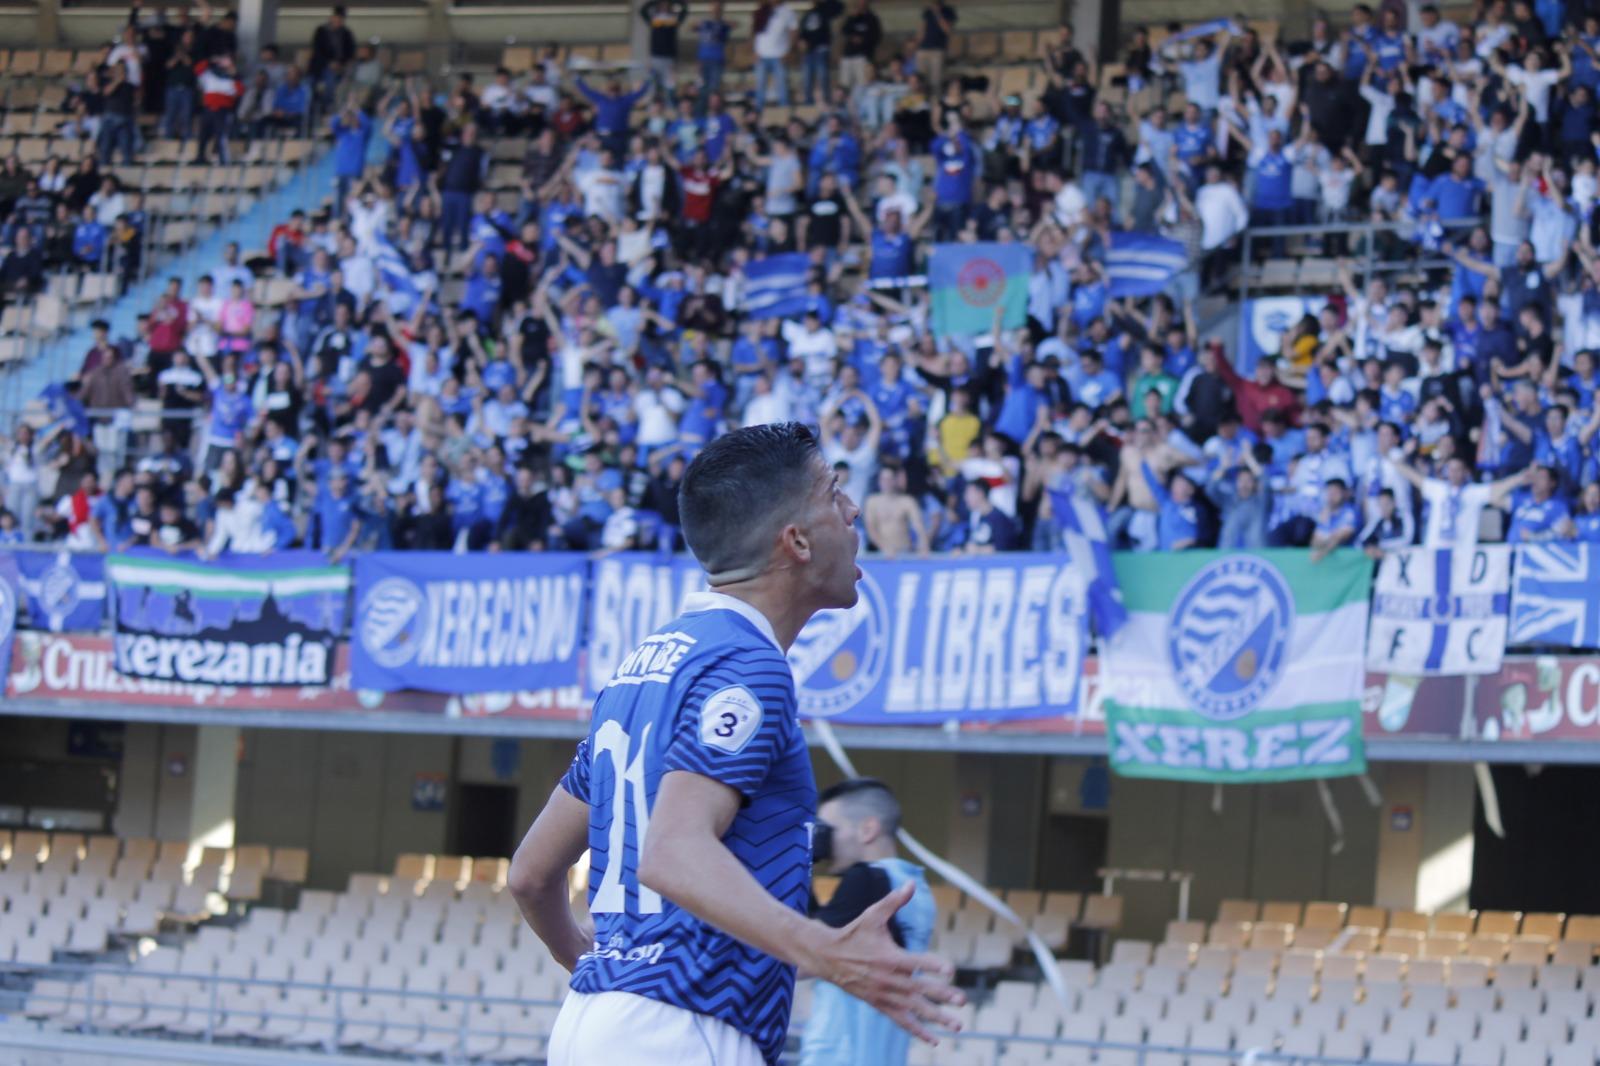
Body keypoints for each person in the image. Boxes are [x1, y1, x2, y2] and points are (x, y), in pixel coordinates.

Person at [508, 423, 962, 1066]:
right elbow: (671, 851)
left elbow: (531, 875)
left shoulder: (644, 667)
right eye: (834, 492)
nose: (853, 508)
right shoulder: (751, 666)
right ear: (797, 541)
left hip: (597, 1021)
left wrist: (597, 971)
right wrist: (823, 949)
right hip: (683, 1029)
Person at [799, 778, 936, 1066]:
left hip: (842, 1053)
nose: (822, 838)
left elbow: (801, 959)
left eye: (827, 829)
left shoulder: (867, 880)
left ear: (867, 829)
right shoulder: (912, 883)